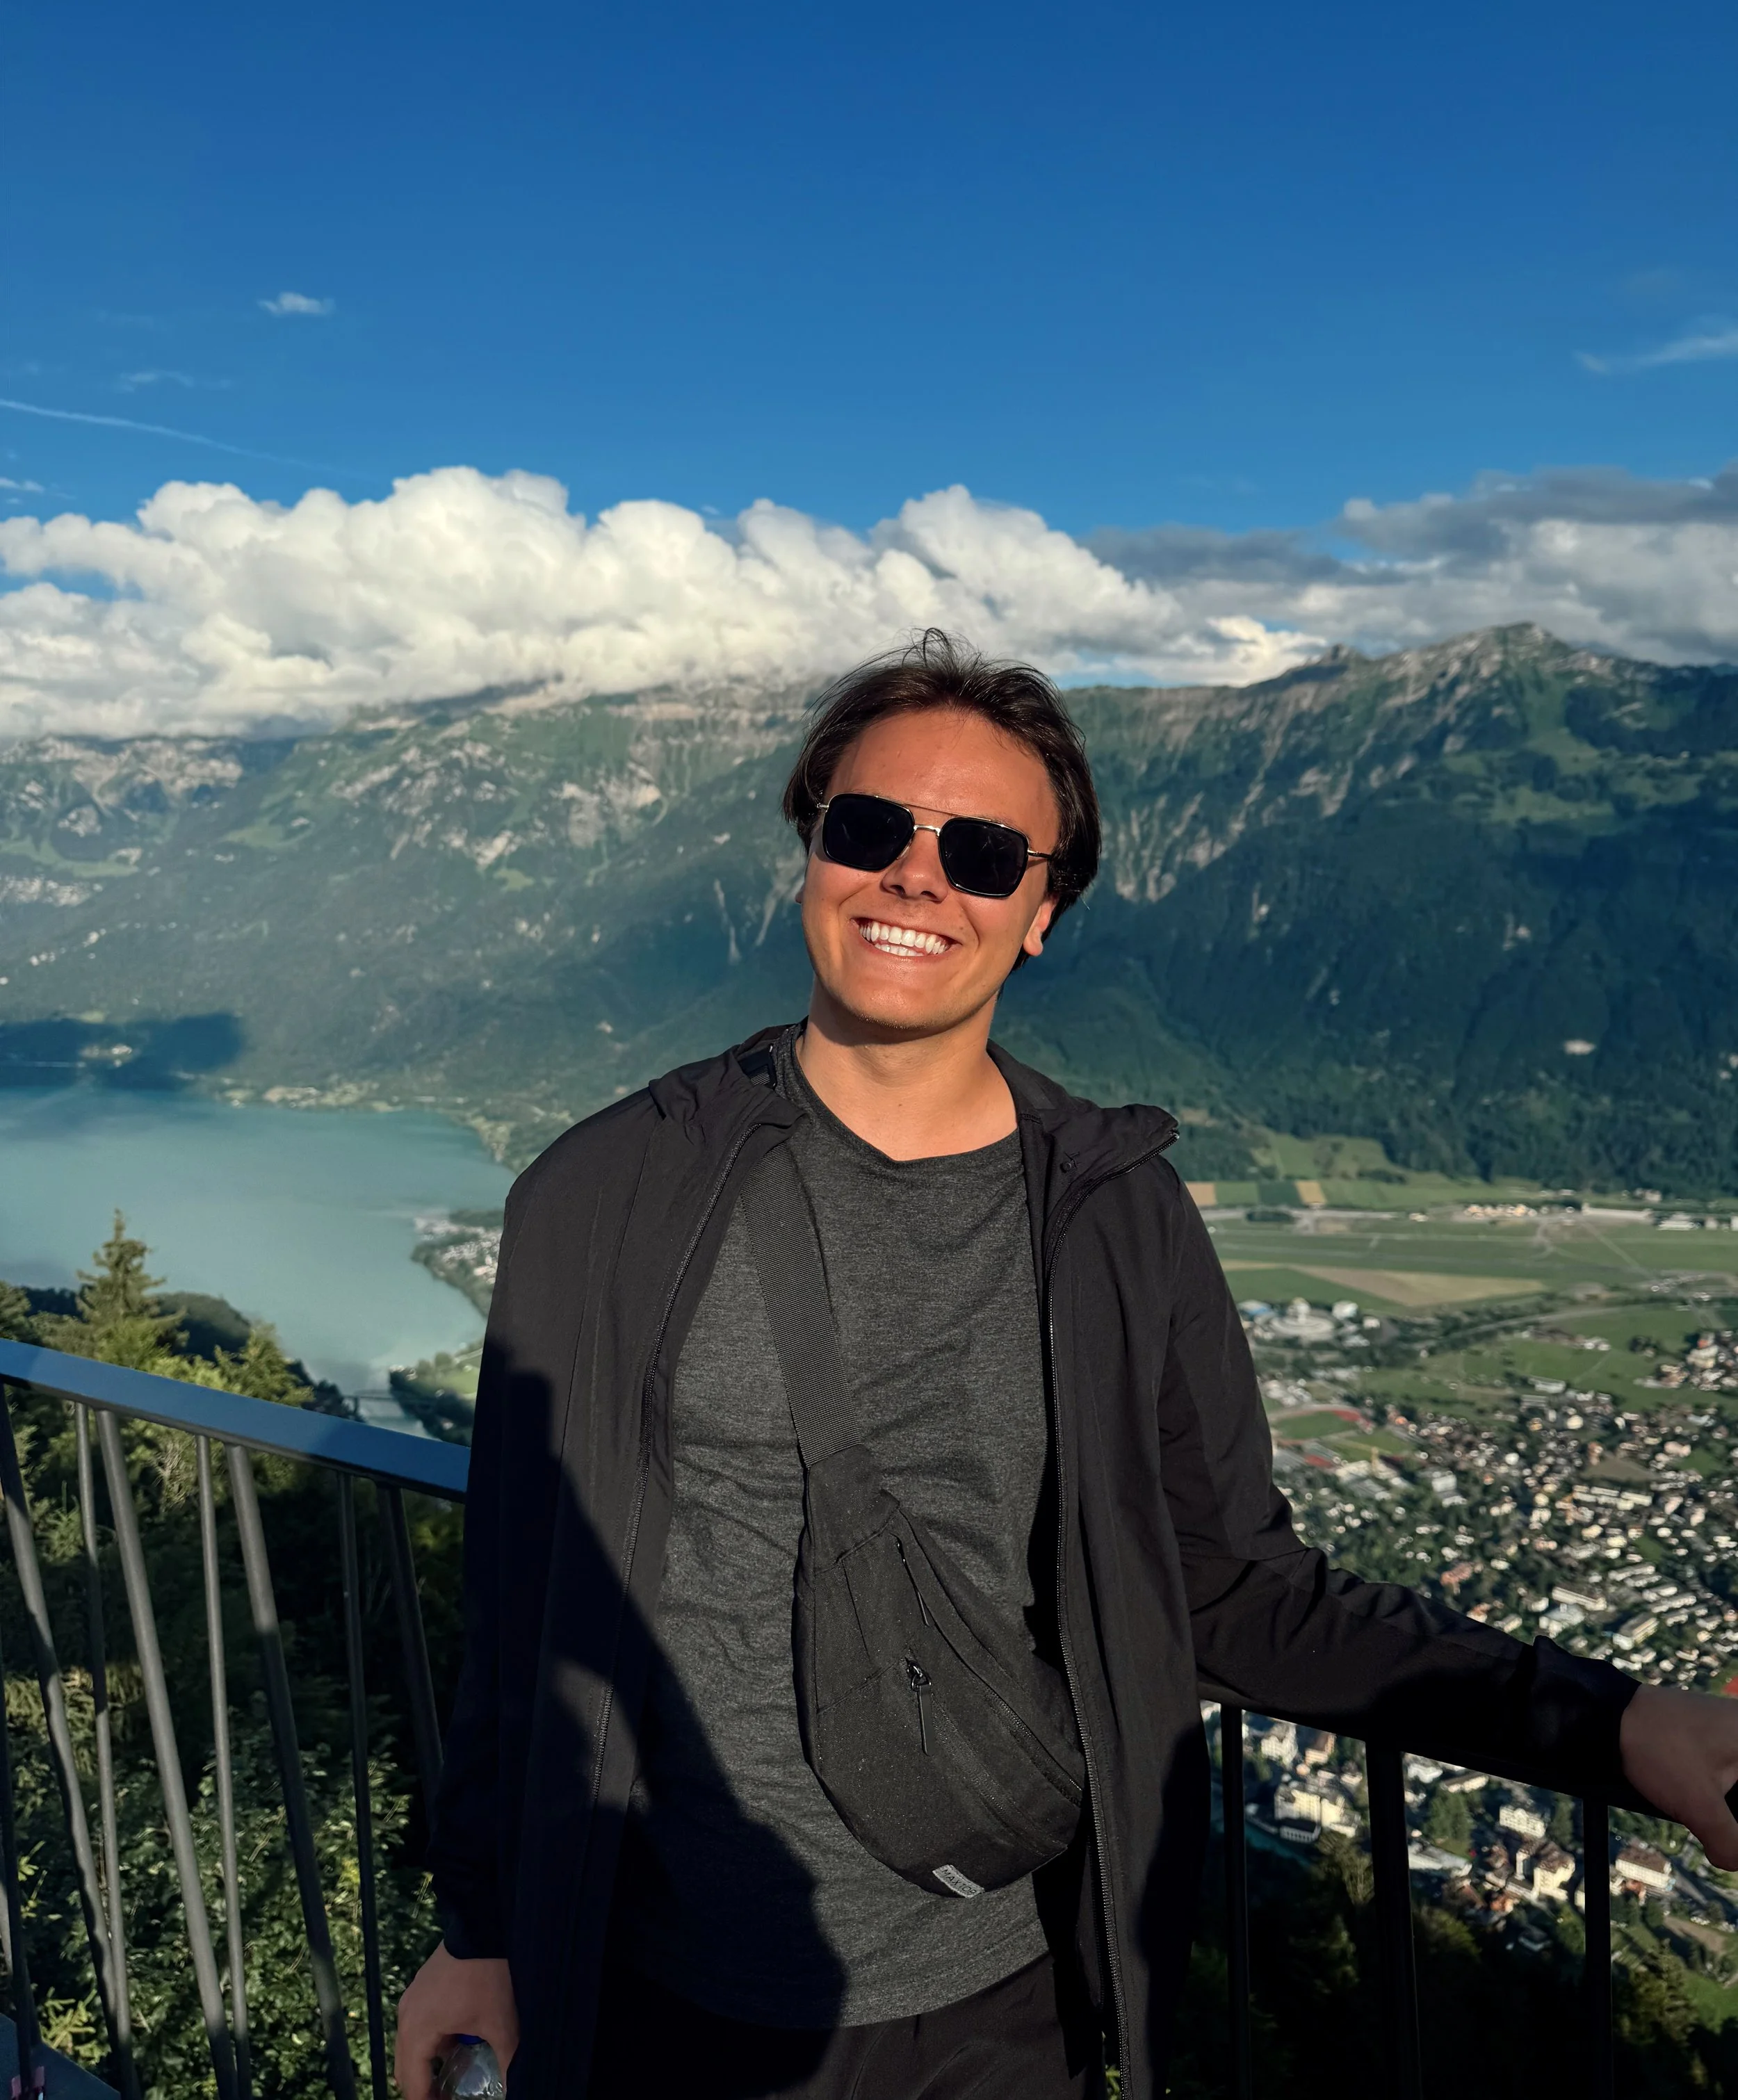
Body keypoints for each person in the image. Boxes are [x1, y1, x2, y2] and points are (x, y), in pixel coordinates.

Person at [396, 631, 1738, 2100]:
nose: (917, 876)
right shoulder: (605, 1194)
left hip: (1002, 2003)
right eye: (870, 828)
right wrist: (479, 1930)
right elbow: (522, 1595)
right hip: (659, 1991)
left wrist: (1614, 1723)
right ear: (807, 853)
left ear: (1040, 913)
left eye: (980, 851)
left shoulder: (1112, 1213)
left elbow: (1231, 1586)